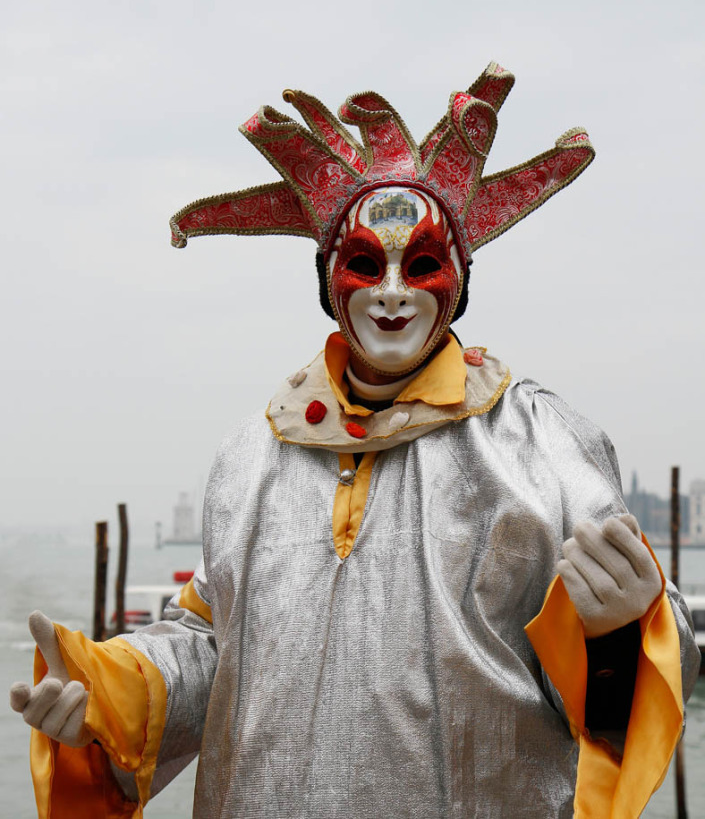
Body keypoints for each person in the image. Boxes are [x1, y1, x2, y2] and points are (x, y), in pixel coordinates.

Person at [10, 62, 701, 818]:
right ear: (329, 279)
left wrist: (621, 634)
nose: (393, 292)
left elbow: (614, 699)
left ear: (459, 278)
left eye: (424, 264)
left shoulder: (545, 445)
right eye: (366, 265)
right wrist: (103, 694)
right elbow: (212, 649)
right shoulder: (252, 456)